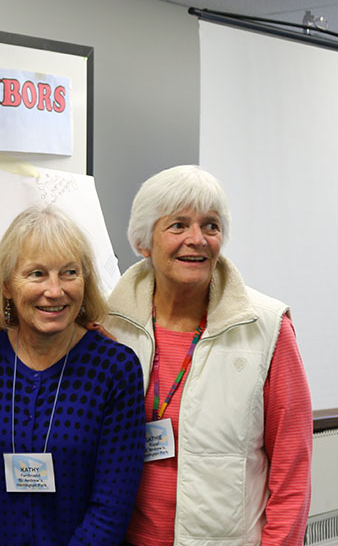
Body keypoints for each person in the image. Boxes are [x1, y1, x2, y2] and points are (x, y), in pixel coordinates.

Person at [0, 205, 145, 544]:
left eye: (69, 273)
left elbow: (110, 510)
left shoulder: (114, 369)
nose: (55, 290)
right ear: (7, 286)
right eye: (36, 274)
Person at [106, 165, 311, 545]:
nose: (197, 239)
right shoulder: (109, 324)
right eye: (178, 225)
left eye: (211, 226)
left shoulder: (266, 327)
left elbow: (292, 470)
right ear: (143, 241)